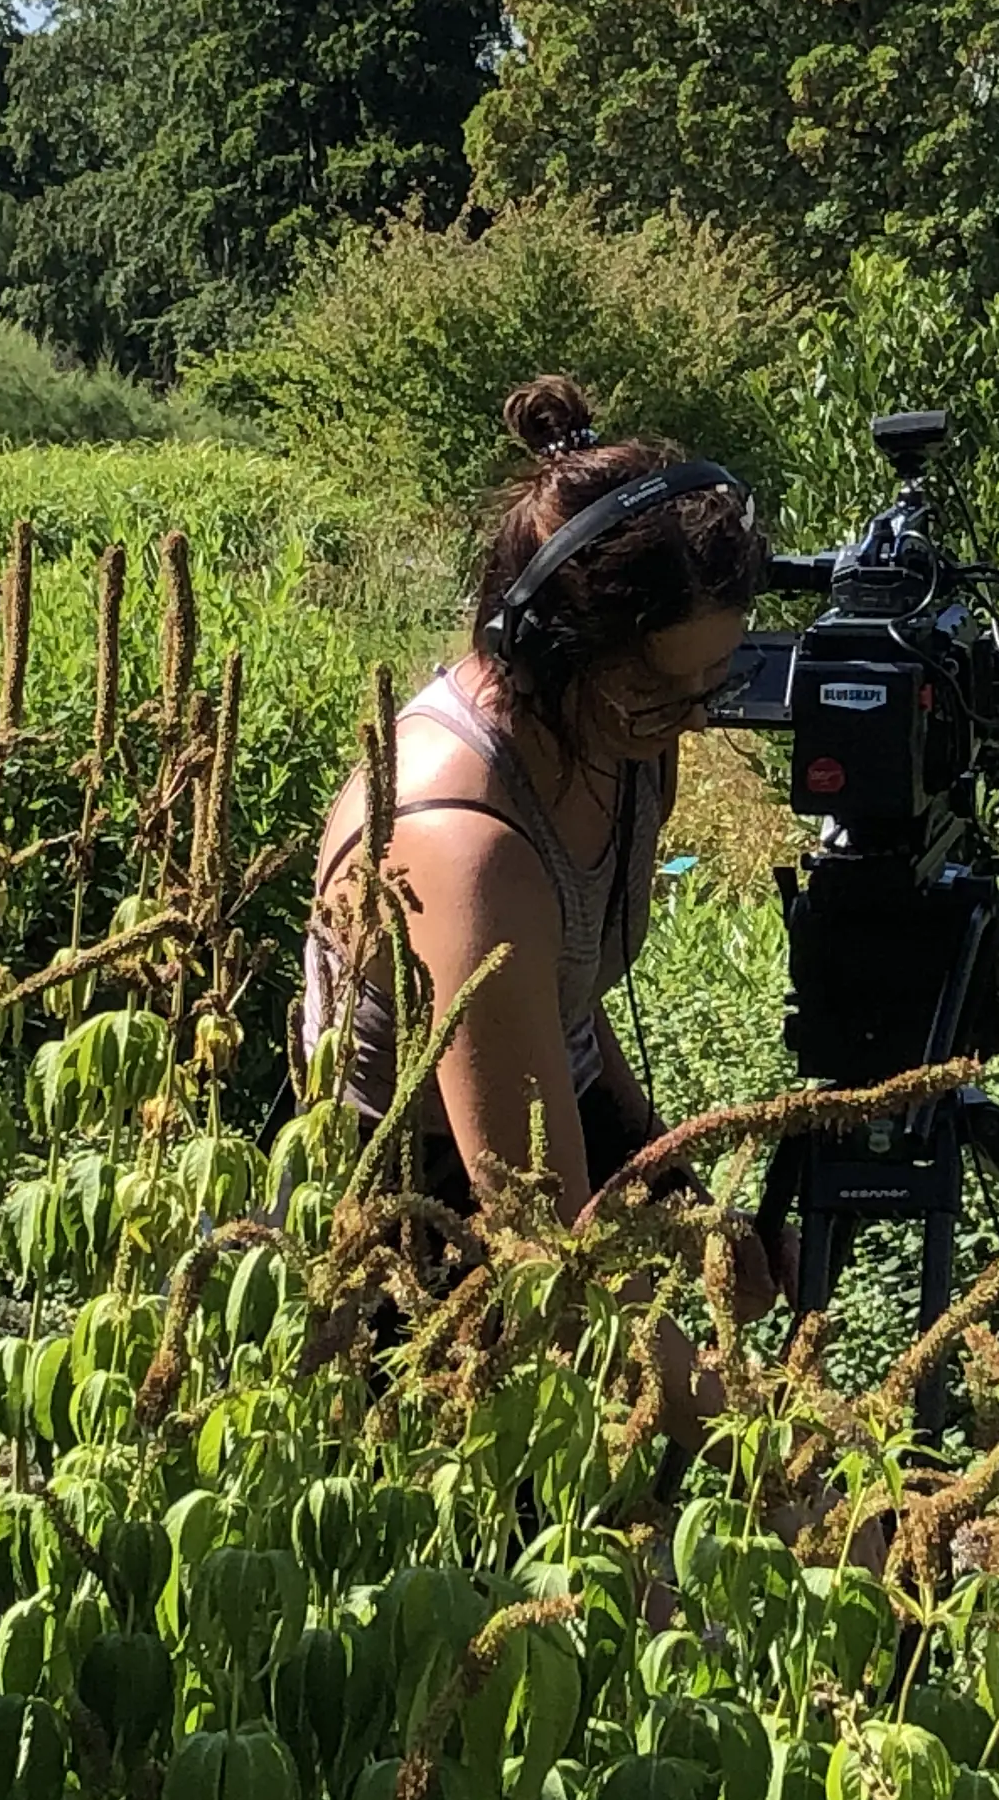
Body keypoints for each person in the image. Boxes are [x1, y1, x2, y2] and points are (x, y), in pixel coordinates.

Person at [300, 374, 763, 1222]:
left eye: (717, 681)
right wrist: (701, 1359)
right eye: (663, 689)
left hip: (544, 1141)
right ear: (546, 655)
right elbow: (536, 1229)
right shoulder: (463, 849)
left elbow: (564, 1010)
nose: (692, 723)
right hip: (406, 1217)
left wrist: (685, 1201)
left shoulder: (625, 740)